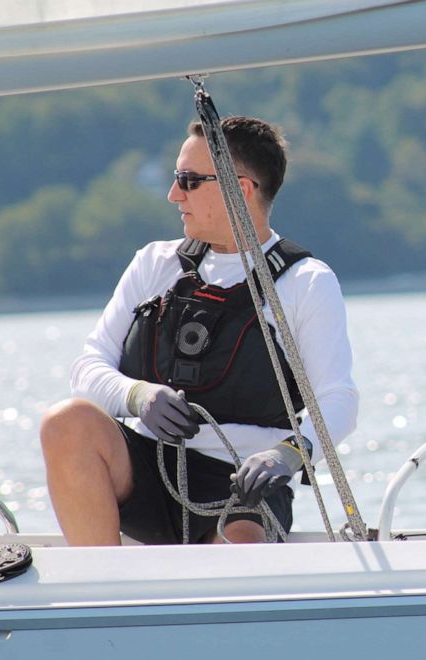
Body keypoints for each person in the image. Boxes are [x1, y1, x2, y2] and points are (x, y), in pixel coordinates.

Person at [40, 116, 358, 545]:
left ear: (240, 189)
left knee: (243, 542)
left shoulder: (306, 283)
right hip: (145, 472)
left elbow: (338, 401)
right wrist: (139, 396)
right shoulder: (154, 263)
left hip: (243, 485)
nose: (174, 195)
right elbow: (88, 368)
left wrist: (288, 455)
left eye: (188, 181)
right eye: (176, 179)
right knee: (67, 422)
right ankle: (104, 594)